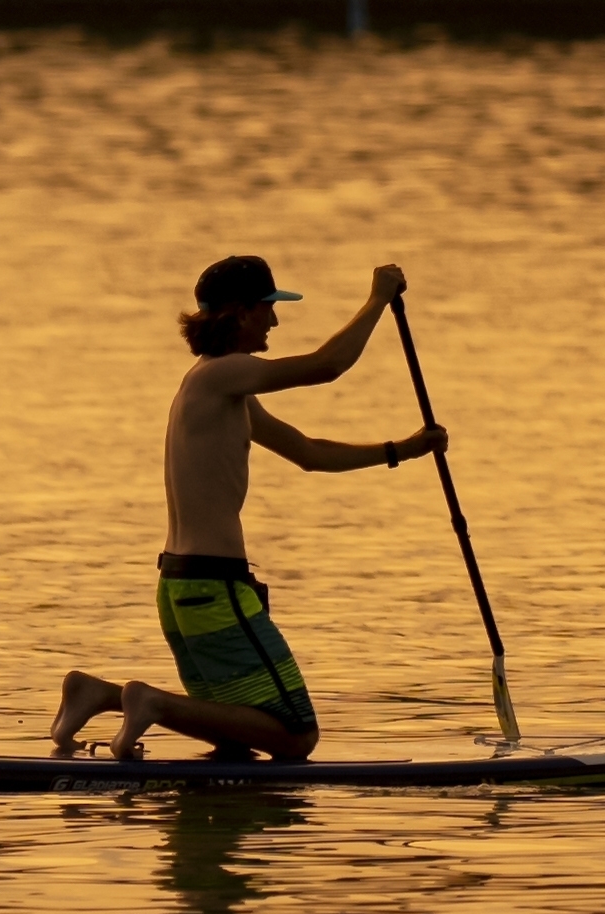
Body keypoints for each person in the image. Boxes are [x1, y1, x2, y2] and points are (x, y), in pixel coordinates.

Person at [48, 256, 449, 761]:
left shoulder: (217, 388)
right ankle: (148, 701)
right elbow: (327, 366)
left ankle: (99, 694)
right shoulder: (223, 376)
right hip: (214, 588)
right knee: (295, 735)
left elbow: (309, 454)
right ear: (240, 313)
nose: (274, 322)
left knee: (240, 733)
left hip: (181, 587)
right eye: (268, 309)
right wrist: (377, 300)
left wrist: (402, 450)